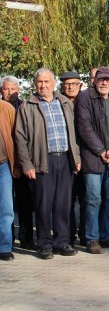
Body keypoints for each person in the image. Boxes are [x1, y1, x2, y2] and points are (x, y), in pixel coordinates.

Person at [15, 68, 82, 259]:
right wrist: (27, 164)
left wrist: (76, 158)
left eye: (46, 82)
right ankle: (44, 244)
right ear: (35, 84)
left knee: (63, 204)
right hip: (42, 161)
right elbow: (20, 138)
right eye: (39, 82)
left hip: (65, 159)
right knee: (43, 205)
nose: (43, 85)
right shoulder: (27, 106)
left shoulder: (65, 103)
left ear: (54, 83)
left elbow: (74, 133)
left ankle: (62, 242)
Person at [75, 66, 109, 254]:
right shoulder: (84, 97)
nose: (104, 83)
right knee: (93, 199)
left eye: (108, 80)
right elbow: (84, 128)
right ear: (94, 81)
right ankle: (92, 238)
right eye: (101, 79)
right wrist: (101, 151)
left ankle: (105, 235)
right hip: (93, 157)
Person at [1, 75, 34, 249]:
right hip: (5, 161)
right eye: (6, 88)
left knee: (25, 201)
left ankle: (27, 237)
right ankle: (8, 239)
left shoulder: (25, 107)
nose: (10, 92)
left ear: (19, 90)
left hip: (21, 161)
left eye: (13, 89)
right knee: (6, 203)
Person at [59, 71, 86, 246]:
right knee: (66, 199)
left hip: (87, 155)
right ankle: (68, 235)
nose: (70, 87)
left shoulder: (86, 101)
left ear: (80, 85)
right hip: (65, 157)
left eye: (74, 84)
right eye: (67, 84)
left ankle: (86, 234)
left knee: (86, 198)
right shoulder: (58, 103)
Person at [0, 99, 17, 261]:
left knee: (6, 208)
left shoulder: (6, 108)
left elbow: (16, 136)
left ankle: (4, 247)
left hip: (3, 164)